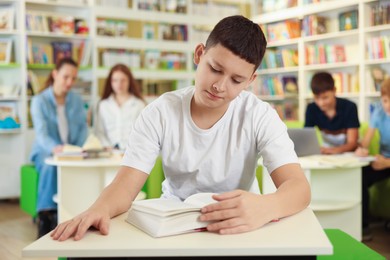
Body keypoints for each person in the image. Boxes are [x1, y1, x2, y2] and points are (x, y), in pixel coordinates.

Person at [51, 15, 311, 241]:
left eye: (236, 80)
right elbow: (125, 185)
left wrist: (268, 207)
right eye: (215, 68)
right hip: (174, 223)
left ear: (251, 81)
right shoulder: (159, 112)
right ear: (199, 54)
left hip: (241, 224)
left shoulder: (260, 115)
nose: (220, 86)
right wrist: (99, 208)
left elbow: (298, 187)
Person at [30, 57, 88, 238]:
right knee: (50, 166)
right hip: (45, 150)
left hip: (71, 151)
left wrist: (78, 149)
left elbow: (82, 129)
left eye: (73, 78)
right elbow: (42, 134)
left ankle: (73, 213)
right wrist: (56, 149)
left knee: (81, 168)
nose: (70, 82)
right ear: (55, 74)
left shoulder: (76, 101)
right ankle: (46, 215)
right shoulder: (39, 101)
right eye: (66, 77)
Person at [355, 78, 390, 241]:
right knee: (360, 176)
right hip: (382, 161)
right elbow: (366, 141)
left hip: (386, 162)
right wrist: (362, 149)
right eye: (385, 100)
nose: (387, 105)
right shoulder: (379, 112)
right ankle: (363, 225)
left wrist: (386, 163)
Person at [304, 71, 360, 154]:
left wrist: (334, 150)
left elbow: (352, 143)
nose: (321, 103)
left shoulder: (350, 107)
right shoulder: (311, 108)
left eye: (325, 98)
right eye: (316, 98)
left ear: (334, 90)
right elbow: (306, 137)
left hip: (348, 154)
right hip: (326, 155)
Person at [95, 64, 146, 150]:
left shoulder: (139, 105)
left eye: (123, 80)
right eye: (115, 80)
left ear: (129, 81)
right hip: (108, 153)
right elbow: (100, 132)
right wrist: (107, 146)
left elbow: (143, 133)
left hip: (132, 153)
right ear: (110, 82)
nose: (119, 84)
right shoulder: (103, 105)